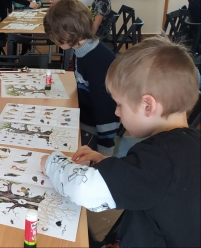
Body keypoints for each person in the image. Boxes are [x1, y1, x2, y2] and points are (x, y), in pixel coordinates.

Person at [40, 38, 200, 247]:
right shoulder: (187, 145)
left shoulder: (160, 160)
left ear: (147, 106)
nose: (116, 112)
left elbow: (84, 189)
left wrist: (51, 163)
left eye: (119, 104)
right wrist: (109, 163)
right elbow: (157, 189)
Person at [43, 0, 119, 155]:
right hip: (82, 117)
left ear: (66, 33)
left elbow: (106, 108)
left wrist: (105, 147)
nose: (52, 40)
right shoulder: (81, 49)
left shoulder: (98, 60)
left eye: (53, 35)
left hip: (97, 133)